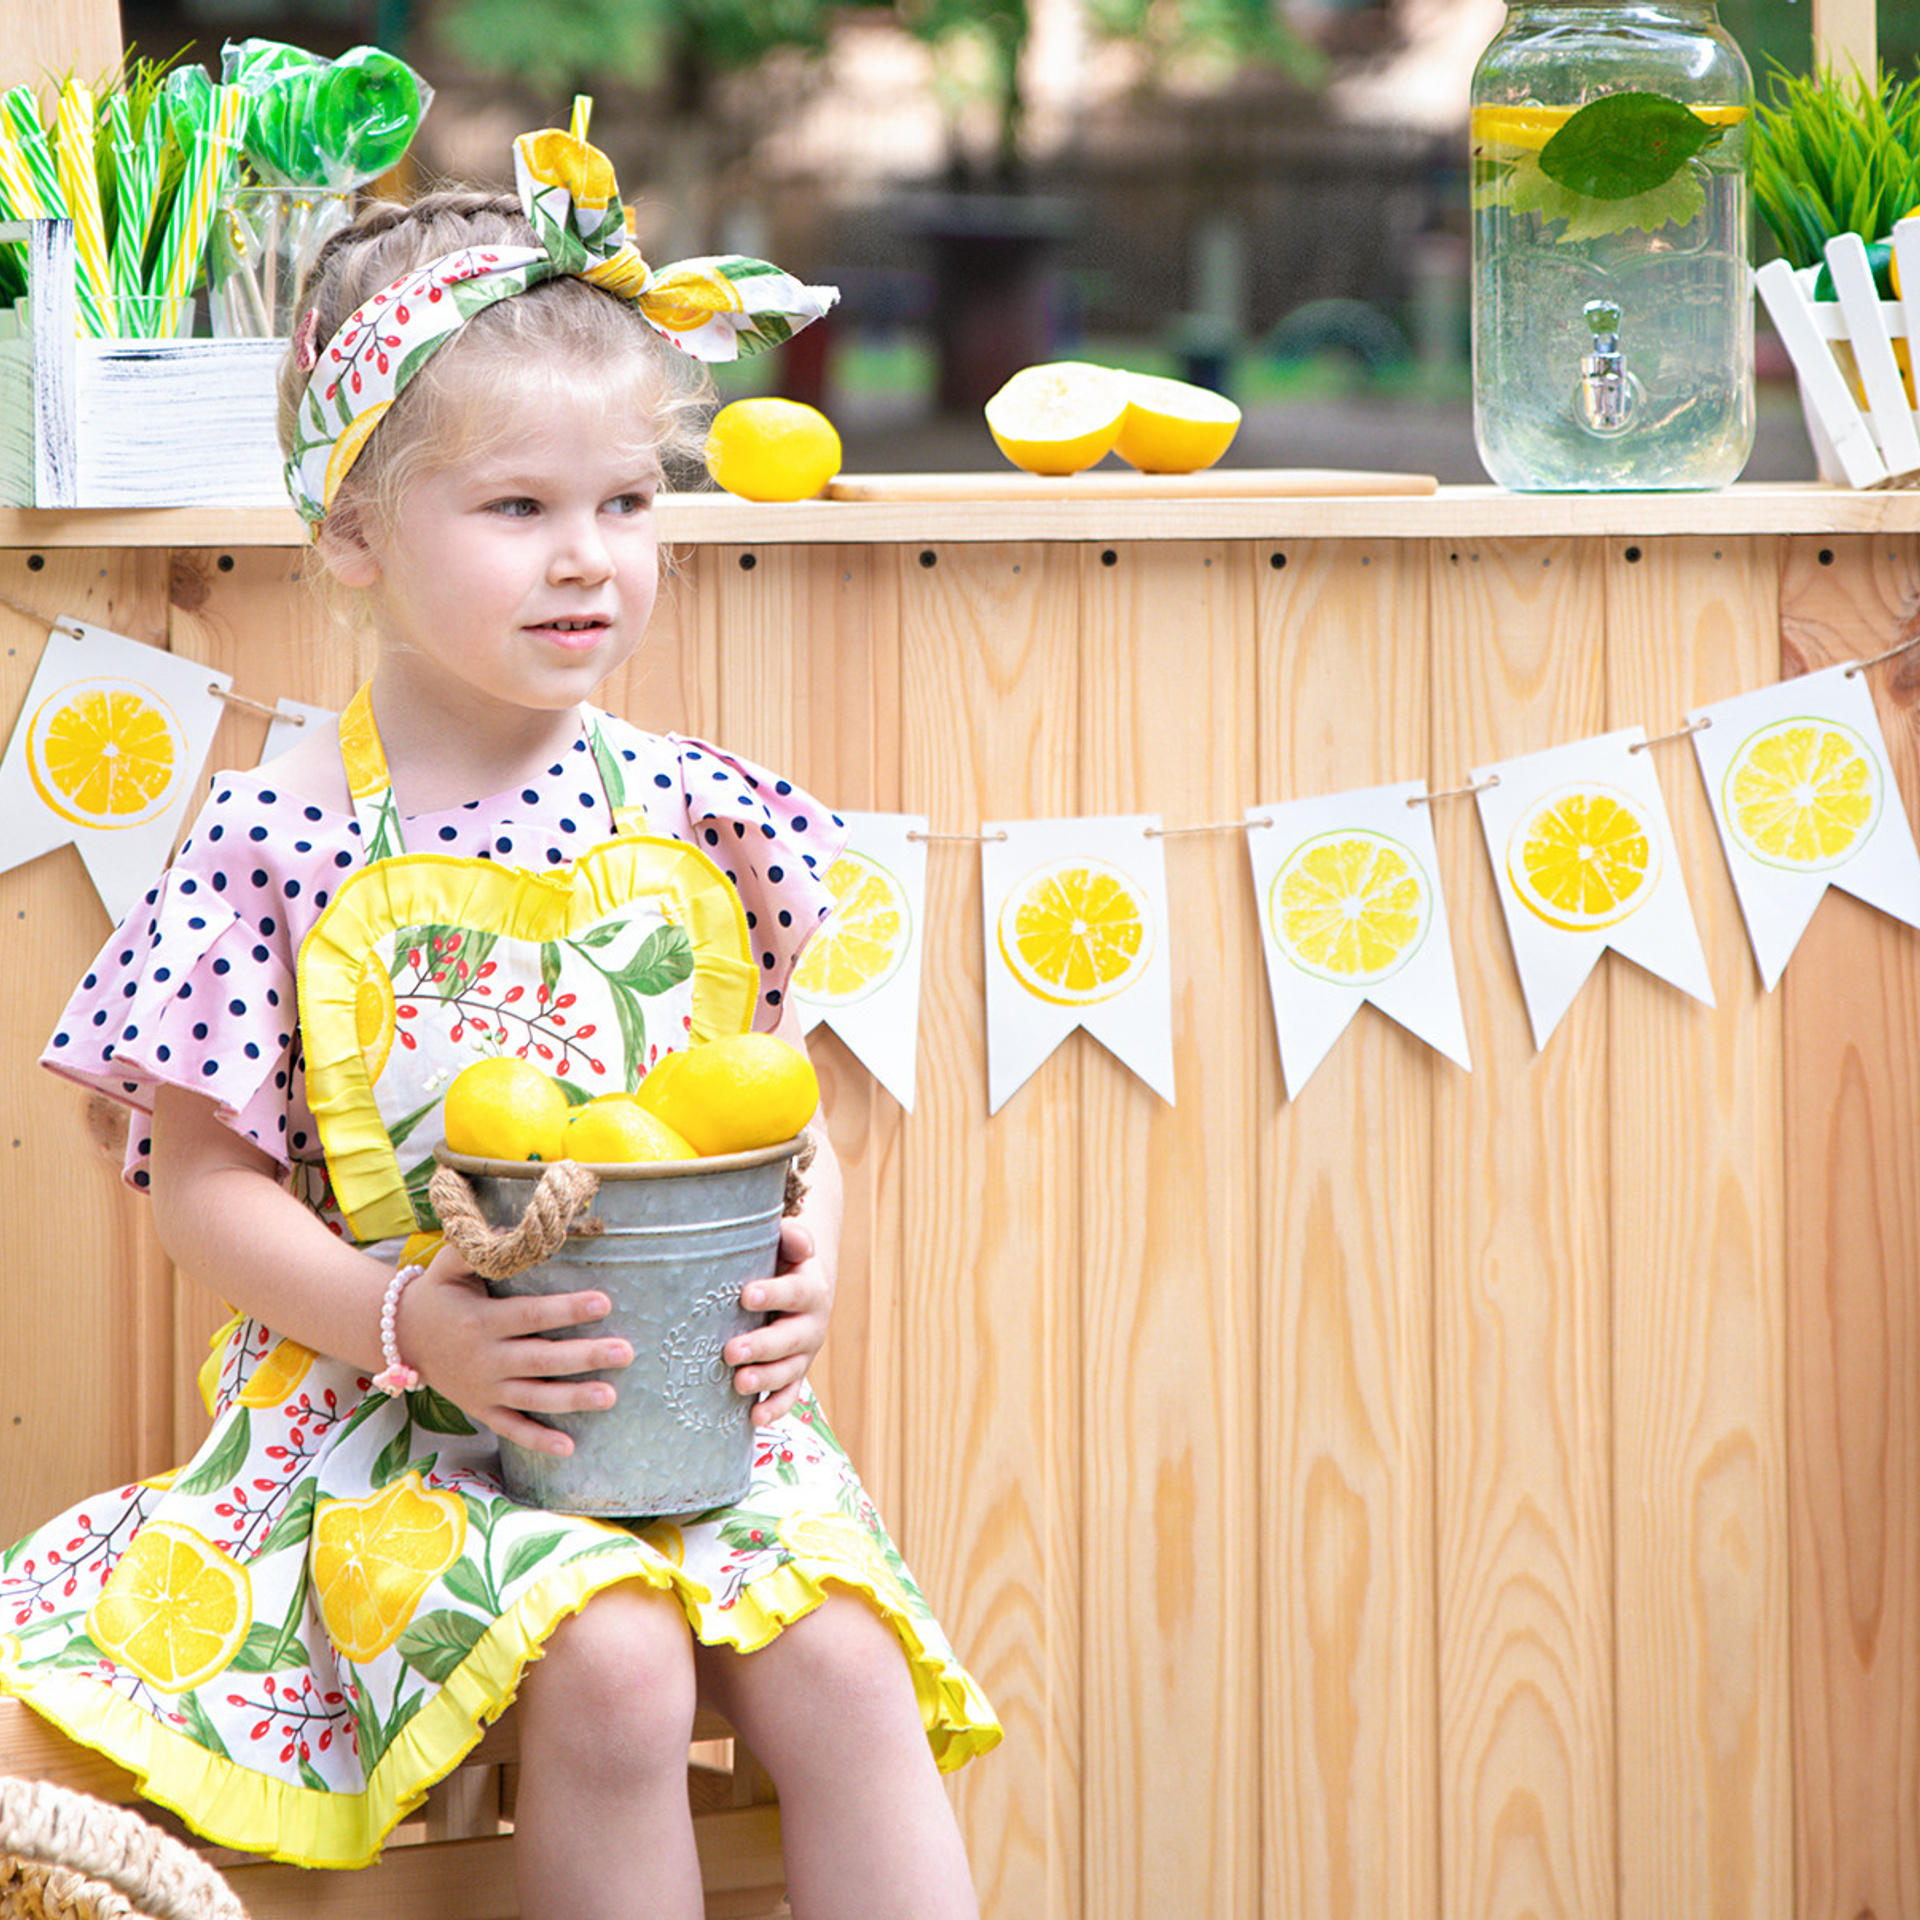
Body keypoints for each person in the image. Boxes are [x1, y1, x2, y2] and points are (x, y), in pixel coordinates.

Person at [0, 124, 997, 1920]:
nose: (587, 560)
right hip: (388, 1433)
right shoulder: (272, 835)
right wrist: (413, 1326)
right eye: (519, 509)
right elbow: (194, 1185)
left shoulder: (698, 812)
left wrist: (807, 1253)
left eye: (627, 504)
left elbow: (775, 1123)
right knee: (609, 1666)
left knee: (846, 1663)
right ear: (358, 532)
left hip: (687, 1420)